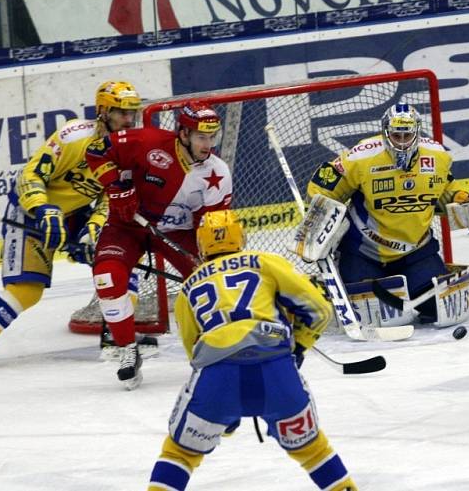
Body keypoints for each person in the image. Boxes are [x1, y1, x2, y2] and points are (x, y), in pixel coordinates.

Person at [147, 210, 357, 491]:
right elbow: (319, 309)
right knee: (314, 452)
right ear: (240, 237)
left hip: (216, 378)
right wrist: (298, 348)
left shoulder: (188, 287)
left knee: (180, 454)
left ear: (200, 245)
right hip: (276, 368)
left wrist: (225, 411)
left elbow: (194, 353)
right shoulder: (265, 262)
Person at [0, 81, 142, 371]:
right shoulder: (74, 137)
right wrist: (44, 209)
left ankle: (117, 335)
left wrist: (94, 227)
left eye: (132, 113)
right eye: (122, 113)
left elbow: (110, 197)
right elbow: (30, 175)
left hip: (77, 214)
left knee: (122, 263)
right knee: (26, 290)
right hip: (31, 213)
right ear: (103, 111)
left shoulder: (128, 149)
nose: (129, 120)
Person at [85, 100, 232, 389]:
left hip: (177, 232)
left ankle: (218, 341)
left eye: (212, 137)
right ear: (184, 134)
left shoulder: (217, 173)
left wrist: (209, 259)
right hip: (127, 226)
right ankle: (128, 349)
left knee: (211, 279)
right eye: (202, 137)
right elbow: (96, 151)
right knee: (106, 278)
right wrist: (116, 186)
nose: (208, 144)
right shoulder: (148, 141)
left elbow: (210, 225)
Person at [303, 103, 469, 325]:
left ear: (417, 133)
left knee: (439, 310)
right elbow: (321, 190)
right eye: (396, 135)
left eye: (407, 135)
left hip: (416, 250)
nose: (401, 141)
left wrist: (464, 200)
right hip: (364, 252)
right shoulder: (360, 157)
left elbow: (444, 190)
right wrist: (319, 222)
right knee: (378, 317)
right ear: (385, 133)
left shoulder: (437, 156)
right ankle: (331, 283)